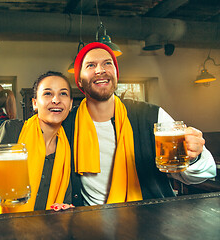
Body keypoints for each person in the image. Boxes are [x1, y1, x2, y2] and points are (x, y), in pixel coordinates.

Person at [62, 42, 217, 206]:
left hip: (149, 220)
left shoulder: (152, 115)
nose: (100, 70)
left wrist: (193, 157)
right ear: (79, 78)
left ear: (116, 73)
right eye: (91, 65)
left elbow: (202, 174)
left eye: (108, 63)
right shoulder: (67, 124)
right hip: (89, 222)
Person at [0, 71, 74, 214]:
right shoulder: (12, 130)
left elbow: (68, 197)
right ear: (35, 103)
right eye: (48, 93)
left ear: (70, 104)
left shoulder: (69, 144)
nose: (56, 100)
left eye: (63, 94)